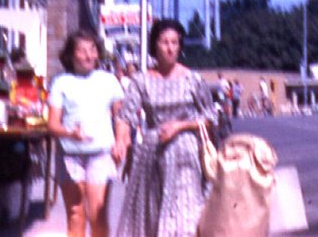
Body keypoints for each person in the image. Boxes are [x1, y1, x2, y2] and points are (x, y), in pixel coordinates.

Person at [116, 19, 216, 237]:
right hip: (153, 155)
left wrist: (181, 125)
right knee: (154, 213)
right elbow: (127, 115)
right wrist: (121, 141)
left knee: (186, 215)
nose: (170, 48)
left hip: (186, 154)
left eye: (175, 43)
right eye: (164, 42)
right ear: (155, 45)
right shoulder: (141, 81)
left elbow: (210, 116)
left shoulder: (193, 79)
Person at [48, 30, 127, 237]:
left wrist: (121, 142)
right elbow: (52, 124)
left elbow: (121, 117)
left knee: (97, 215)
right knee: (75, 215)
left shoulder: (109, 81)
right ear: (70, 55)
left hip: (100, 154)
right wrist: (70, 134)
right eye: (82, 51)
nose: (89, 55)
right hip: (69, 156)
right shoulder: (60, 82)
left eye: (92, 49)